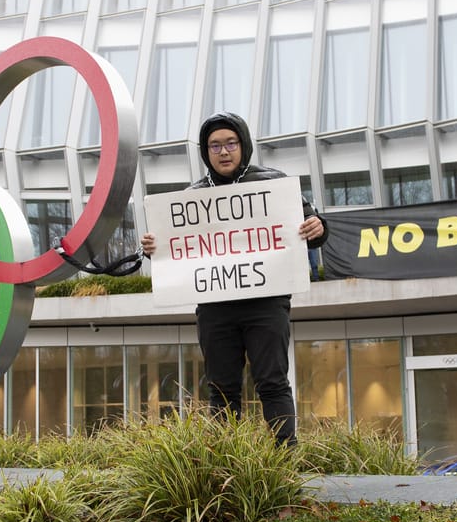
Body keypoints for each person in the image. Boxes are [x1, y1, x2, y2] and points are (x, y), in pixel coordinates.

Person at [140, 112, 328, 445]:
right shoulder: (191, 196)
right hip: (216, 307)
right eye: (215, 146)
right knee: (222, 388)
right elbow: (177, 250)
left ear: (243, 145)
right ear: (205, 151)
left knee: (272, 381)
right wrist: (156, 246)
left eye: (230, 143)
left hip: (266, 303)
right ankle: (228, 465)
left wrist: (318, 227)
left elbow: (311, 231)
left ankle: (286, 459)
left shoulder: (274, 184)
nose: (224, 152)